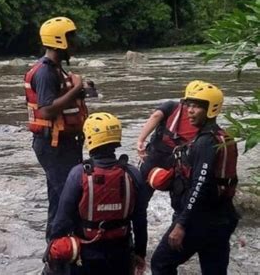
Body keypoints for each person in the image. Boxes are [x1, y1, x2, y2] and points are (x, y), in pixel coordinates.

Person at [150, 82, 240, 274]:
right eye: (188, 105)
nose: (190, 111)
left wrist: (181, 224)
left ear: (211, 109)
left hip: (200, 220)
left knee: (160, 263)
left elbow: (200, 185)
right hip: (223, 217)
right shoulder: (223, 137)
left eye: (197, 106)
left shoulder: (205, 143)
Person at [47, 112, 149, 275]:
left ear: (89, 139)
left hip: (85, 256)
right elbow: (140, 220)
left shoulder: (78, 173)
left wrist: (51, 249)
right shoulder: (133, 173)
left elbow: (62, 219)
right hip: (121, 255)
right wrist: (140, 253)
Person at [24, 16, 88, 241]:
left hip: (63, 143)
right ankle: (67, 249)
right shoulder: (45, 72)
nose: (75, 43)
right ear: (59, 41)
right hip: (53, 145)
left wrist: (80, 90)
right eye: (71, 39)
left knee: (58, 198)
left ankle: (54, 244)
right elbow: (46, 110)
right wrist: (76, 88)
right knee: (70, 200)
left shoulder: (56, 69)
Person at [137, 80, 204, 196]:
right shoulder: (202, 114)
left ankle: (140, 211)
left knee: (141, 191)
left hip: (155, 155)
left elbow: (155, 116)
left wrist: (140, 140)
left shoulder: (171, 106)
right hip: (178, 160)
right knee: (178, 191)